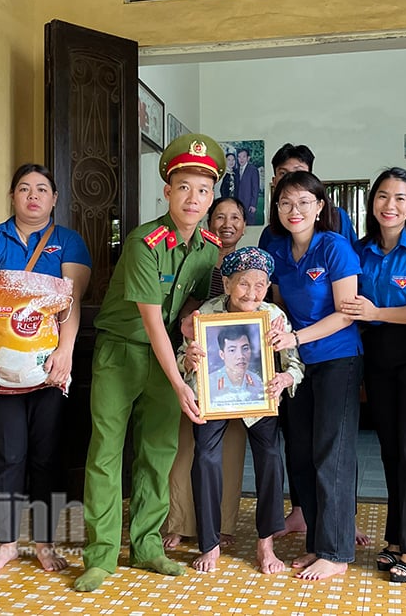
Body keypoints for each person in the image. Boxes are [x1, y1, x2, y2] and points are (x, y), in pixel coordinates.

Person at [75, 134, 225, 593]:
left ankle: (146, 545)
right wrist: (181, 383)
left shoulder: (208, 246)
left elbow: (189, 301)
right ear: (167, 191)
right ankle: (100, 555)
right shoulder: (145, 240)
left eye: (202, 190)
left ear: (212, 195)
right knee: (105, 453)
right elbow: (150, 319)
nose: (193, 198)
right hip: (122, 351)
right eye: (183, 187)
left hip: (165, 355)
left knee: (157, 452)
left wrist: (188, 323)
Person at [0, 163, 92, 573]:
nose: (33, 196)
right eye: (24, 188)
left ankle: (44, 542)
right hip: (1, 367)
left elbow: (71, 306)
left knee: (46, 456)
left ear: (54, 199)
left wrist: (66, 353)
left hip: (49, 367)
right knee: (6, 455)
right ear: (13, 196)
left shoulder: (69, 242)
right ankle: (5, 543)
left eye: (42, 189)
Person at [340, 167, 406, 583]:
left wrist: (377, 313)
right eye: (382, 196)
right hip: (376, 356)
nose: (390, 205)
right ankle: (397, 540)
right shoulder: (360, 250)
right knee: (389, 450)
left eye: (400, 198)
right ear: (372, 204)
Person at [256, 143, 363, 543]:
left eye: (303, 202)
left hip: (337, 358)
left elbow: (346, 311)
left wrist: (296, 337)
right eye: (285, 202)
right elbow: (278, 304)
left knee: (330, 453)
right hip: (294, 365)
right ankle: (318, 537)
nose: (293, 210)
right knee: (299, 450)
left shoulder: (334, 245)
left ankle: (335, 551)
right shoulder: (278, 248)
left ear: (320, 206)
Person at [178, 246, 305, 574]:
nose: (253, 292)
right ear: (228, 282)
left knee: (271, 456)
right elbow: (182, 356)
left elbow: (295, 362)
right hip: (214, 396)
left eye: (261, 284)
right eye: (244, 283)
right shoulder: (206, 312)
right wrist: (189, 361)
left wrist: (286, 377)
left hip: (257, 396)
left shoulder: (273, 316)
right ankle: (210, 543)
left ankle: (266, 543)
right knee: (205, 456)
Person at [162, 196, 249, 550]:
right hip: (196, 362)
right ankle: (179, 522)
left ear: (244, 224)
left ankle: (223, 523)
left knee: (230, 446)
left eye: (235, 217)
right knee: (186, 445)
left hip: (239, 368)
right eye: (220, 217)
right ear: (208, 220)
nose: (227, 223)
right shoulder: (194, 256)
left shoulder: (251, 262)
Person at [207, 325, 265, 407]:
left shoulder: (256, 381)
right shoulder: (210, 383)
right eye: (232, 350)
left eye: (245, 348)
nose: (240, 356)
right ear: (222, 354)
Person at [236, 147, 260, 222]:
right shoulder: (236, 170)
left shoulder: (253, 170)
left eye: (244, 156)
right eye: (239, 157)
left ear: (248, 158)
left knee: (249, 223)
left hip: (248, 203)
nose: (241, 159)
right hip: (238, 204)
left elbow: (255, 188)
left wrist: (253, 204)